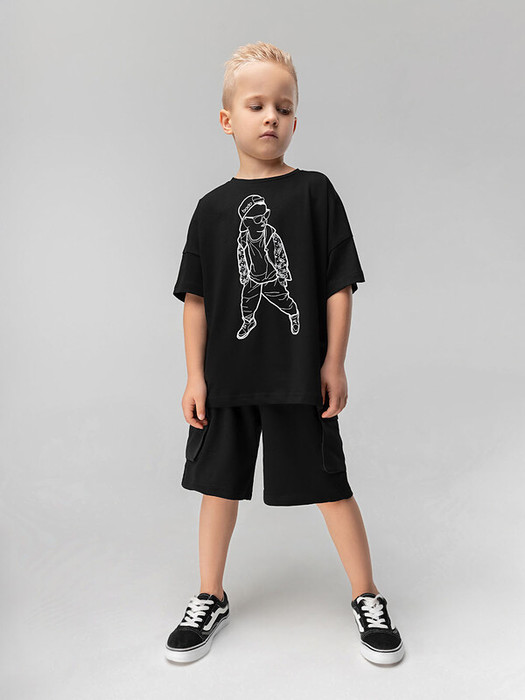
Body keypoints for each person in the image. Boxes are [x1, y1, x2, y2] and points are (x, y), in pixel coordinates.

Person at [165, 41, 405, 666]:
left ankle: (367, 595)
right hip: (227, 380)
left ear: (296, 119)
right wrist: (194, 376)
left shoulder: (314, 193)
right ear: (228, 120)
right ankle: (209, 594)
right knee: (217, 487)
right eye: (256, 105)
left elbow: (337, 285)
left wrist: (333, 362)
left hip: (299, 376)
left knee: (330, 485)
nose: (271, 116)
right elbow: (195, 300)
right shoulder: (210, 210)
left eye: (284, 107)